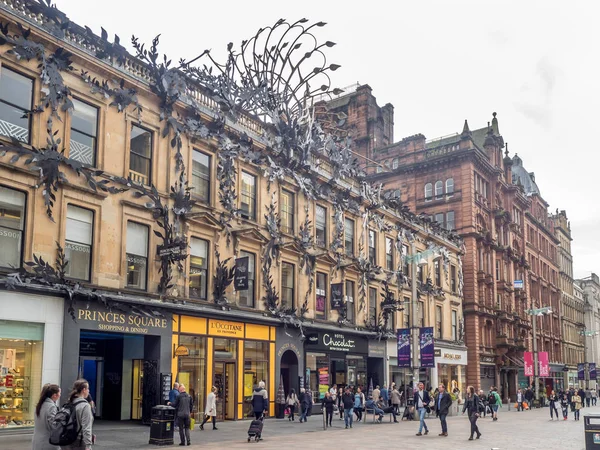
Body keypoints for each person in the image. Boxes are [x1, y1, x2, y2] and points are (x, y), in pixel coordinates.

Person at [62, 379, 94, 450]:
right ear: (84, 390)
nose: (89, 391)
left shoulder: (68, 403)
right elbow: (86, 428)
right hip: (78, 442)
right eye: (88, 388)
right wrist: (88, 445)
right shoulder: (85, 406)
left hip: (66, 440)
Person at [32, 383, 60, 450]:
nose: (60, 395)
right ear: (54, 395)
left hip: (37, 441)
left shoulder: (39, 405)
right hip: (48, 443)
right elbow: (54, 426)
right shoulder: (51, 407)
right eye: (59, 393)